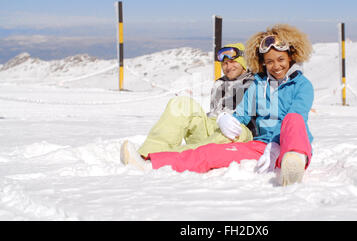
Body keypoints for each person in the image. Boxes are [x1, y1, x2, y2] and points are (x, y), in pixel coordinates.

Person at [124, 24, 314, 186]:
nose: (276, 66)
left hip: (290, 140)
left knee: (293, 118)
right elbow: (242, 114)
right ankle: (152, 160)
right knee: (209, 153)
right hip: (259, 145)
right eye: (269, 62)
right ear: (263, 64)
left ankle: (294, 161)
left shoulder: (302, 85)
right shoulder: (256, 84)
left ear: (291, 57)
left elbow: (298, 116)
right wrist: (225, 119)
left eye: (281, 59)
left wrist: (276, 144)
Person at [120, 43, 255, 170]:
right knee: (182, 104)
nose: (228, 66)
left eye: (233, 61)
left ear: (243, 62)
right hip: (214, 126)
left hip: (240, 130)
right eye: (224, 63)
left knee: (231, 131)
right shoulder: (220, 84)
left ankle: (159, 159)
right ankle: (147, 154)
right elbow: (216, 111)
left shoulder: (255, 83)